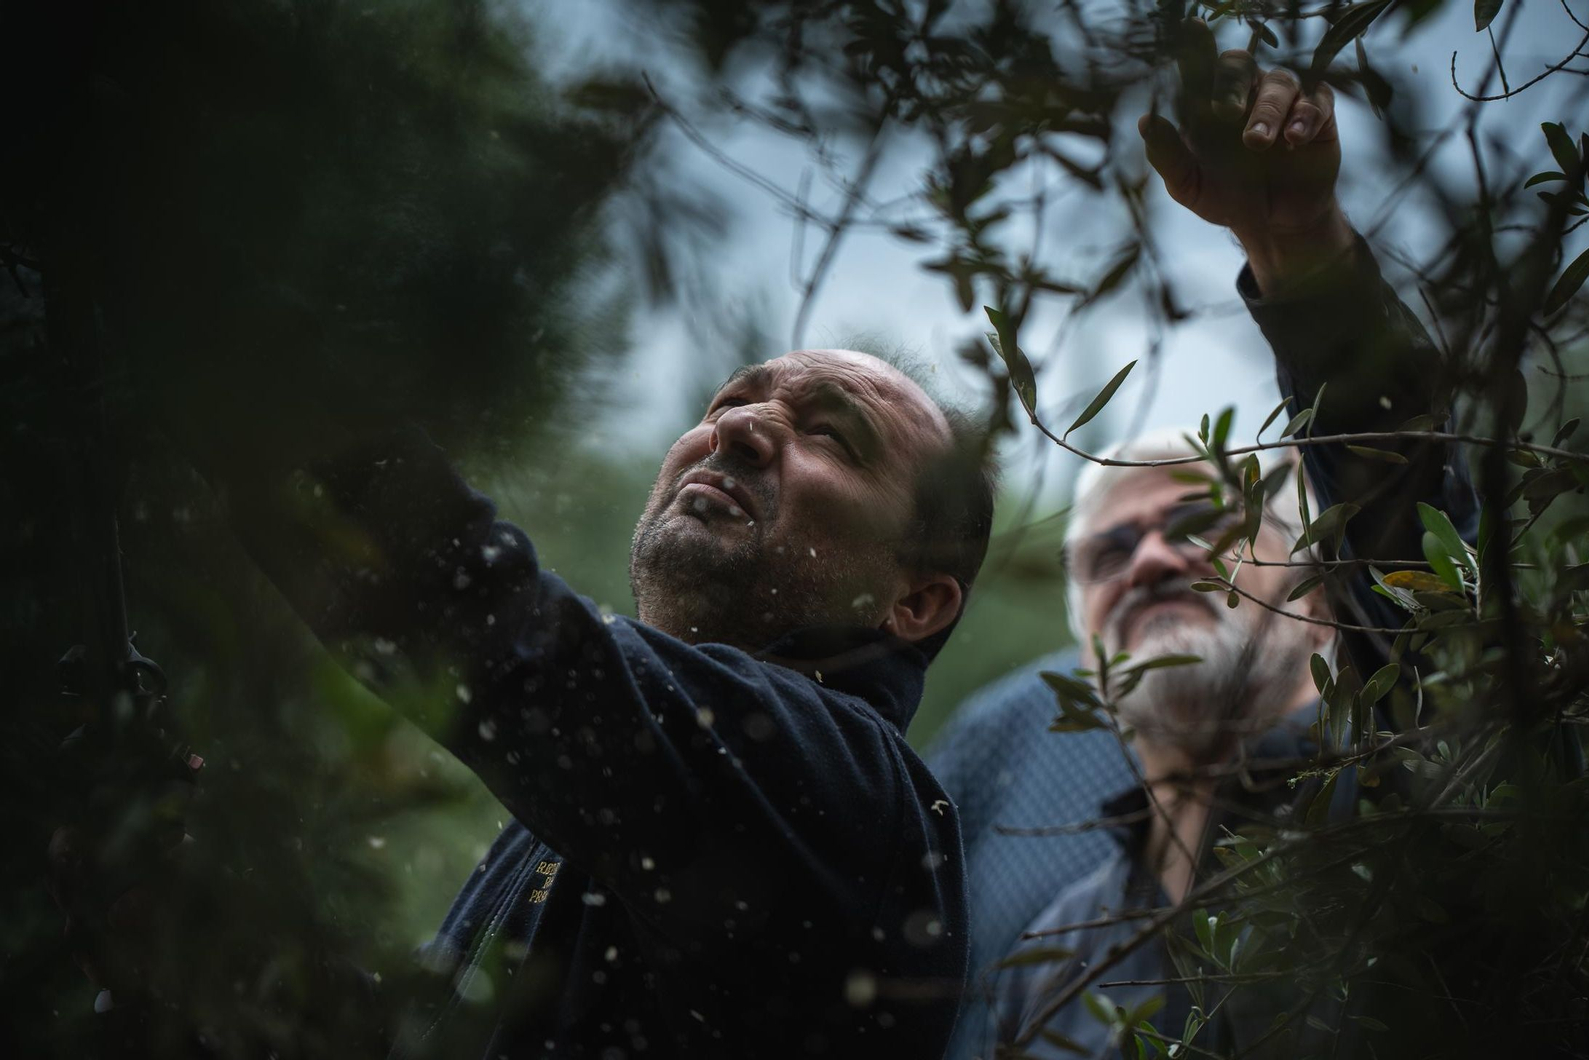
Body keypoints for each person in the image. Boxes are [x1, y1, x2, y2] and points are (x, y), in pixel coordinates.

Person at [172, 349, 996, 1058]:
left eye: (832, 436)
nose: (738, 429)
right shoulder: (634, 787)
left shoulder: (844, 787)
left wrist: (248, 372)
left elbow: (500, 634)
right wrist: (207, 934)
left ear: (914, 602)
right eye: (731, 401)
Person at [945, 20, 1478, 1059]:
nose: (1149, 558)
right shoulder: (1056, 958)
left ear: (1319, 598)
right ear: (1088, 658)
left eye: (1202, 523)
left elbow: (1398, 516)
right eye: (1109, 552)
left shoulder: (1427, 792)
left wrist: (1296, 247)